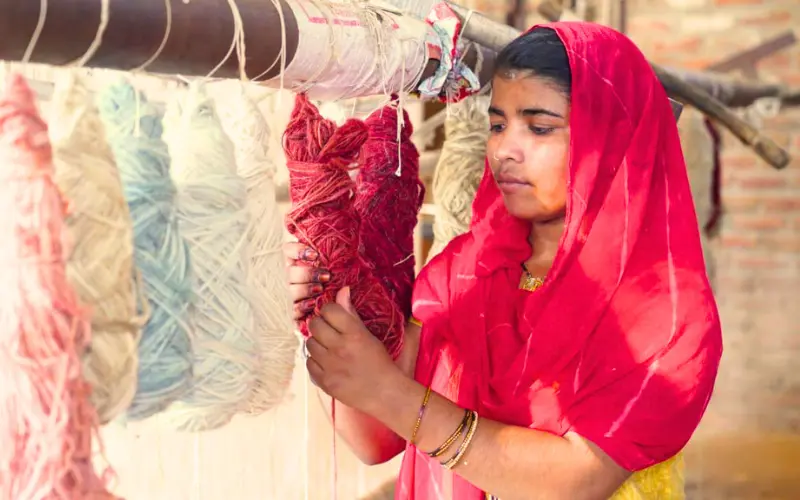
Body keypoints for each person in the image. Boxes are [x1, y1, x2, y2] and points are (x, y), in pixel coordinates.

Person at [284, 22, 722, 500]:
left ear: (610, 140)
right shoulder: (465, 270)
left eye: (539, 127)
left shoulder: (665, 314)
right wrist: (334, 324)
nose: (504, 150)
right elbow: (376, 438)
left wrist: (387, 392)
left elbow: (576, 480)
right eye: (497, 124)